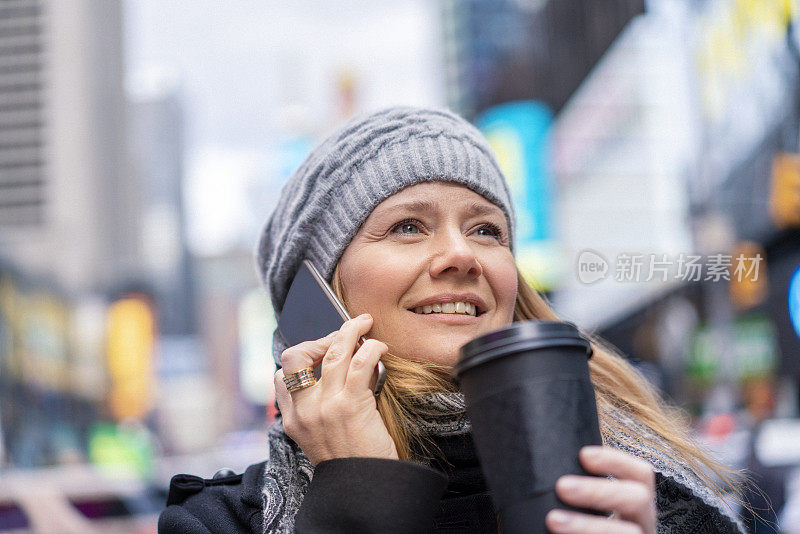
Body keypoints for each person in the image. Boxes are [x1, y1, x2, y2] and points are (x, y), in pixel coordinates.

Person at [159, 107, 748, 533]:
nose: (463, 255)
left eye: (486, 229)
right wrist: (355, 495)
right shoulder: (217, 524)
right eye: (407, 226)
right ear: (313, 297)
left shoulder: (645, 495)